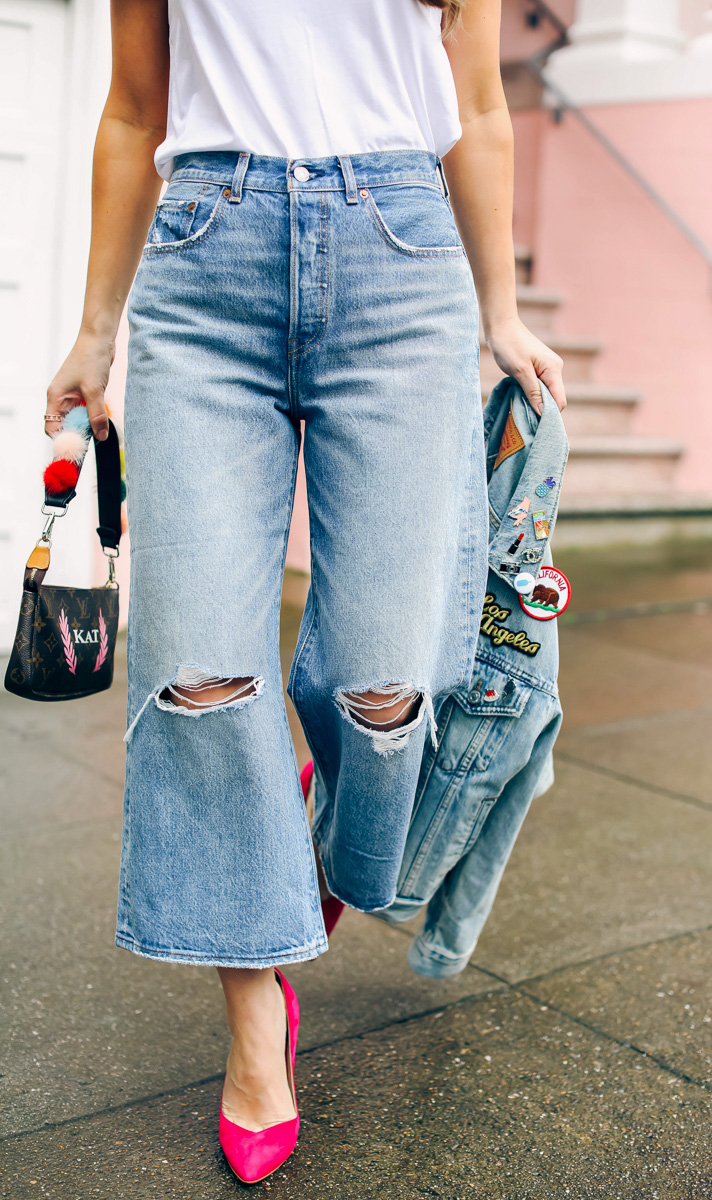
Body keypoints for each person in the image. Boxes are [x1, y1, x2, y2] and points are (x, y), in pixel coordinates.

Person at [44, 0, 566, 1183]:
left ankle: (292, 860)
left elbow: (477, 105)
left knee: (390, 680)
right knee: (196, 676)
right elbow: (132, 109)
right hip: (203, 258)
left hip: (399, 258)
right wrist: (94, 328)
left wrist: (501, 310)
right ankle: (253, 1022)